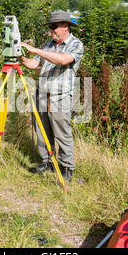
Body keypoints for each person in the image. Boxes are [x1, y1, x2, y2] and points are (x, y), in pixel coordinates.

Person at [20, 11, 84, 182]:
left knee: (62, 134)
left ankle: (66, 168)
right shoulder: (48, 45)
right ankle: (46, 162)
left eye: (54, 27)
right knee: (41, 131)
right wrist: (19, 56)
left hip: (60, 97)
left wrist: (35, 50)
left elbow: (62, 60)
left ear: (65, 27)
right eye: (50, 27)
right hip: (42, 95)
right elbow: (34, 64)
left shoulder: (76, 45)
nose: (51, 31)